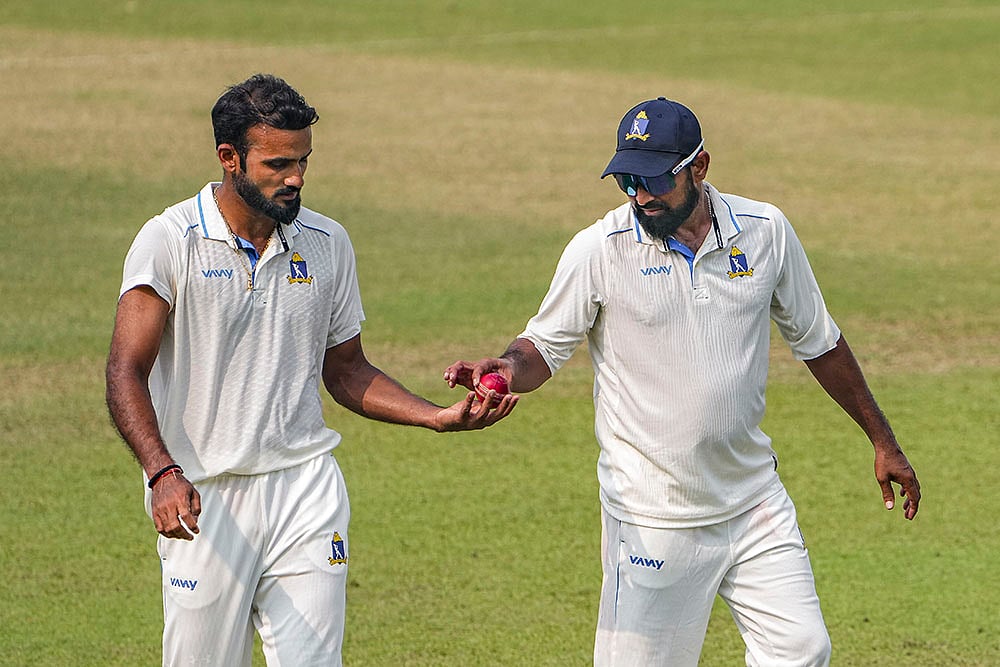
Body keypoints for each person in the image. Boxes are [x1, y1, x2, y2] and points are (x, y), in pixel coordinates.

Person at [444, 97, 920, 666]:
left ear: (700, 167)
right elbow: (541, 346)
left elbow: (819, 342)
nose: (639, 196)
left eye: (652, 180)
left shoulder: (765, 231)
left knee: (802, 650)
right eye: (626, 180)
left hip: (752, 502)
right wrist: (505, 370)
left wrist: (883, 440)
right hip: (652, 517)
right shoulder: (601, 249)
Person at [105, 73, 517, 667]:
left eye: (303, 161)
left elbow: (346, 368)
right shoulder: (170, 241)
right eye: (277, 164)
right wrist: (160, 471)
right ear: (229, 158)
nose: (295, 177)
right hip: (204, 497)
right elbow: (126, 370)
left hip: (306, 490)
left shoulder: (327, 242)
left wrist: (435, 417)